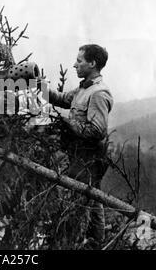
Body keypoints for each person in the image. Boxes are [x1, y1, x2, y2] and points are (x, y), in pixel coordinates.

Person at [42, 44, 113, 245]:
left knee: (86, 199)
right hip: (79, 155)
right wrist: (38, 85)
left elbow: (98, 131)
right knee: (91, 199)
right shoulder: (84, 88)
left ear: (92, 63)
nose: (75, 65)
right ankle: (94, 242)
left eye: (79, 61)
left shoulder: (98, 93)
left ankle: (90, 241)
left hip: (89, 158)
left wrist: (67, 122)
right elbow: (63, 99)